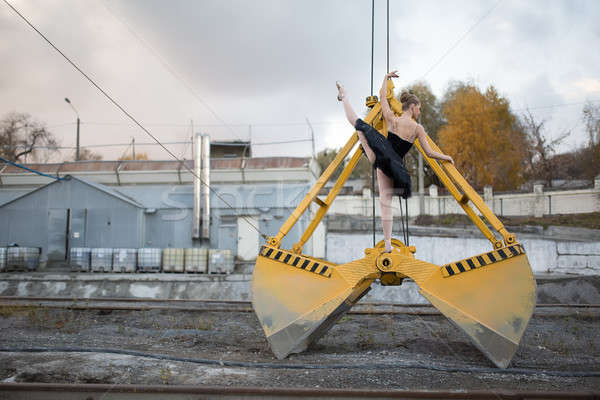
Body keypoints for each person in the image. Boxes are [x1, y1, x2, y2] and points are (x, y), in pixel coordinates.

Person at [336, 71, 453, 253]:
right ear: (413, 107)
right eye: (419, 108)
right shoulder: (417, 128)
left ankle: (344, 97)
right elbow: (429, 153)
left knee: (359, 125)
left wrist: (385, 78)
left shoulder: (393, 120)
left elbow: (383, 98)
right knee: (386, 203)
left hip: (380, 157)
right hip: (395, 165)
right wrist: (446, 157)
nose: (419, 112)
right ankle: (388, 244)